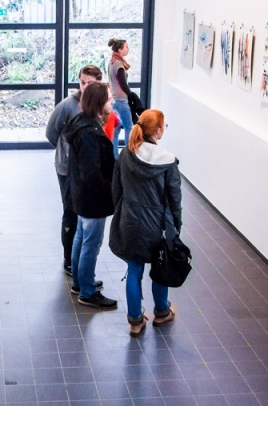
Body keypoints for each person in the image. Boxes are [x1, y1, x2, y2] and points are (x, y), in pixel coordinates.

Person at [109, 109, 181, 336]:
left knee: (134, 268)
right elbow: (174, 198)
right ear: (158, 131)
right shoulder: (168, 161)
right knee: (160, 266)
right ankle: (161, 311)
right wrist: (176, 226)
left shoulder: (126, 155)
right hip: (158, 225)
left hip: (130, 221)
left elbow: (116, 189)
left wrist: (122, 212)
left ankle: (135, 320)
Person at [62, 82, 118, 309]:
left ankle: (80, 282)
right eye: (109, 98)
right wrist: (111, 190)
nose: (112, 101)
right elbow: (92, 173)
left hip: (81, 196)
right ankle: (87, 291)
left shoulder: (81, 124)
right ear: (99, 102)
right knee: (91, 244)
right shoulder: (89, 133)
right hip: (92, 199)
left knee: (81, 238)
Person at [45, 65, 102, 277]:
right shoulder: (67, 106)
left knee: (84, 213)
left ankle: (79, 262)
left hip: (87, 169)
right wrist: (66, 154)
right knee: (70, 211)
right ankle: (69, 260)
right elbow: (51, 133)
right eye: (82, 82)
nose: (85, 87)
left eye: (90, 83)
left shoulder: (99, 105)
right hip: (67, 170)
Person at [107, 38, 146, 159]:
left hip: (114, 99)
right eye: (126, 47)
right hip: (121, 101)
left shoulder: (112, 61)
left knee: (116, 129)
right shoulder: (118, 64)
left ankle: (115, 156)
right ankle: (128, 157)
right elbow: (122, 83)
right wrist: (130, 95)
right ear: (120, 50)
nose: (128, 49)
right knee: (129, 128)